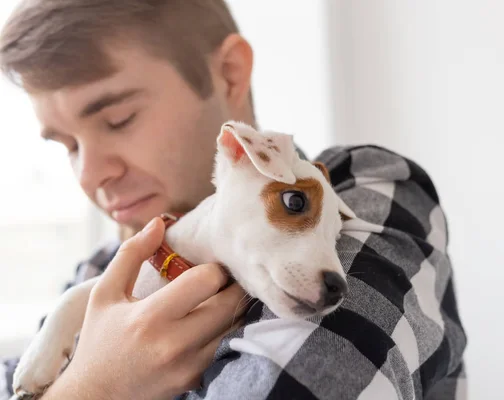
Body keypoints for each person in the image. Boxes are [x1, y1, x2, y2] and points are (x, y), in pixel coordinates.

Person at [0, 1, 467, 399]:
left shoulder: (368, 186)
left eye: (119, 118)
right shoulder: (92, 277)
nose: (90, 174)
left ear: (228, 73)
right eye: (68, 146)